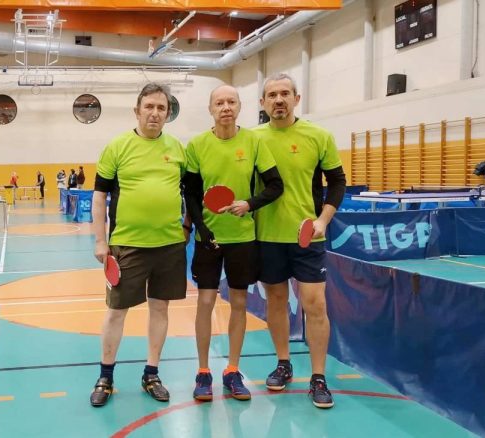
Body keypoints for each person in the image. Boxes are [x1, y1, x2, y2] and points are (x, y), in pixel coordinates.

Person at [89, 83, 188, 407]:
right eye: (150, 107)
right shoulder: (118, 147)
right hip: (127, 244)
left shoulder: (177, 148)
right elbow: (100, 195)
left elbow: (190, 193)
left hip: (170, 245)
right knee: (116, 310)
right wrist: (100, 240)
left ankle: (151, 373)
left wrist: (187, 227)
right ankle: (105, 376)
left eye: (162, 108)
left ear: (167, 113)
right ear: (137, 110)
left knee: (160, 308)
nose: (155, 113)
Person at [183, 85, 284, 402]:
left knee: (239, 303)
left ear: (240, 107)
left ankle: (232, 370)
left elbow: (275, 185)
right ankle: (203, 371)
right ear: (210, 109)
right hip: (208, 240)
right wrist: (201, 227)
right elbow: (192, 193)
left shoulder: (253, 141)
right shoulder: (198, 145)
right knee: (205, 302)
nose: (225, 107)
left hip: (243, 238)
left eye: (231, 102)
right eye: (219, 102)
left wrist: (249, 205)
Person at [252, 73, 347, 409]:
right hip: (266, 236)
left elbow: (337, 182)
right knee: (276, 302)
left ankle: (318, 377)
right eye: (271, 95)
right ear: (262, 103)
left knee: (315, 304)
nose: (278, 100)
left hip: (307, 236)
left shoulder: (318, 135)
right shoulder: (252, 139)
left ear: (296, 98)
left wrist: (322, 220)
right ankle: (283, 362)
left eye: (284, 94)